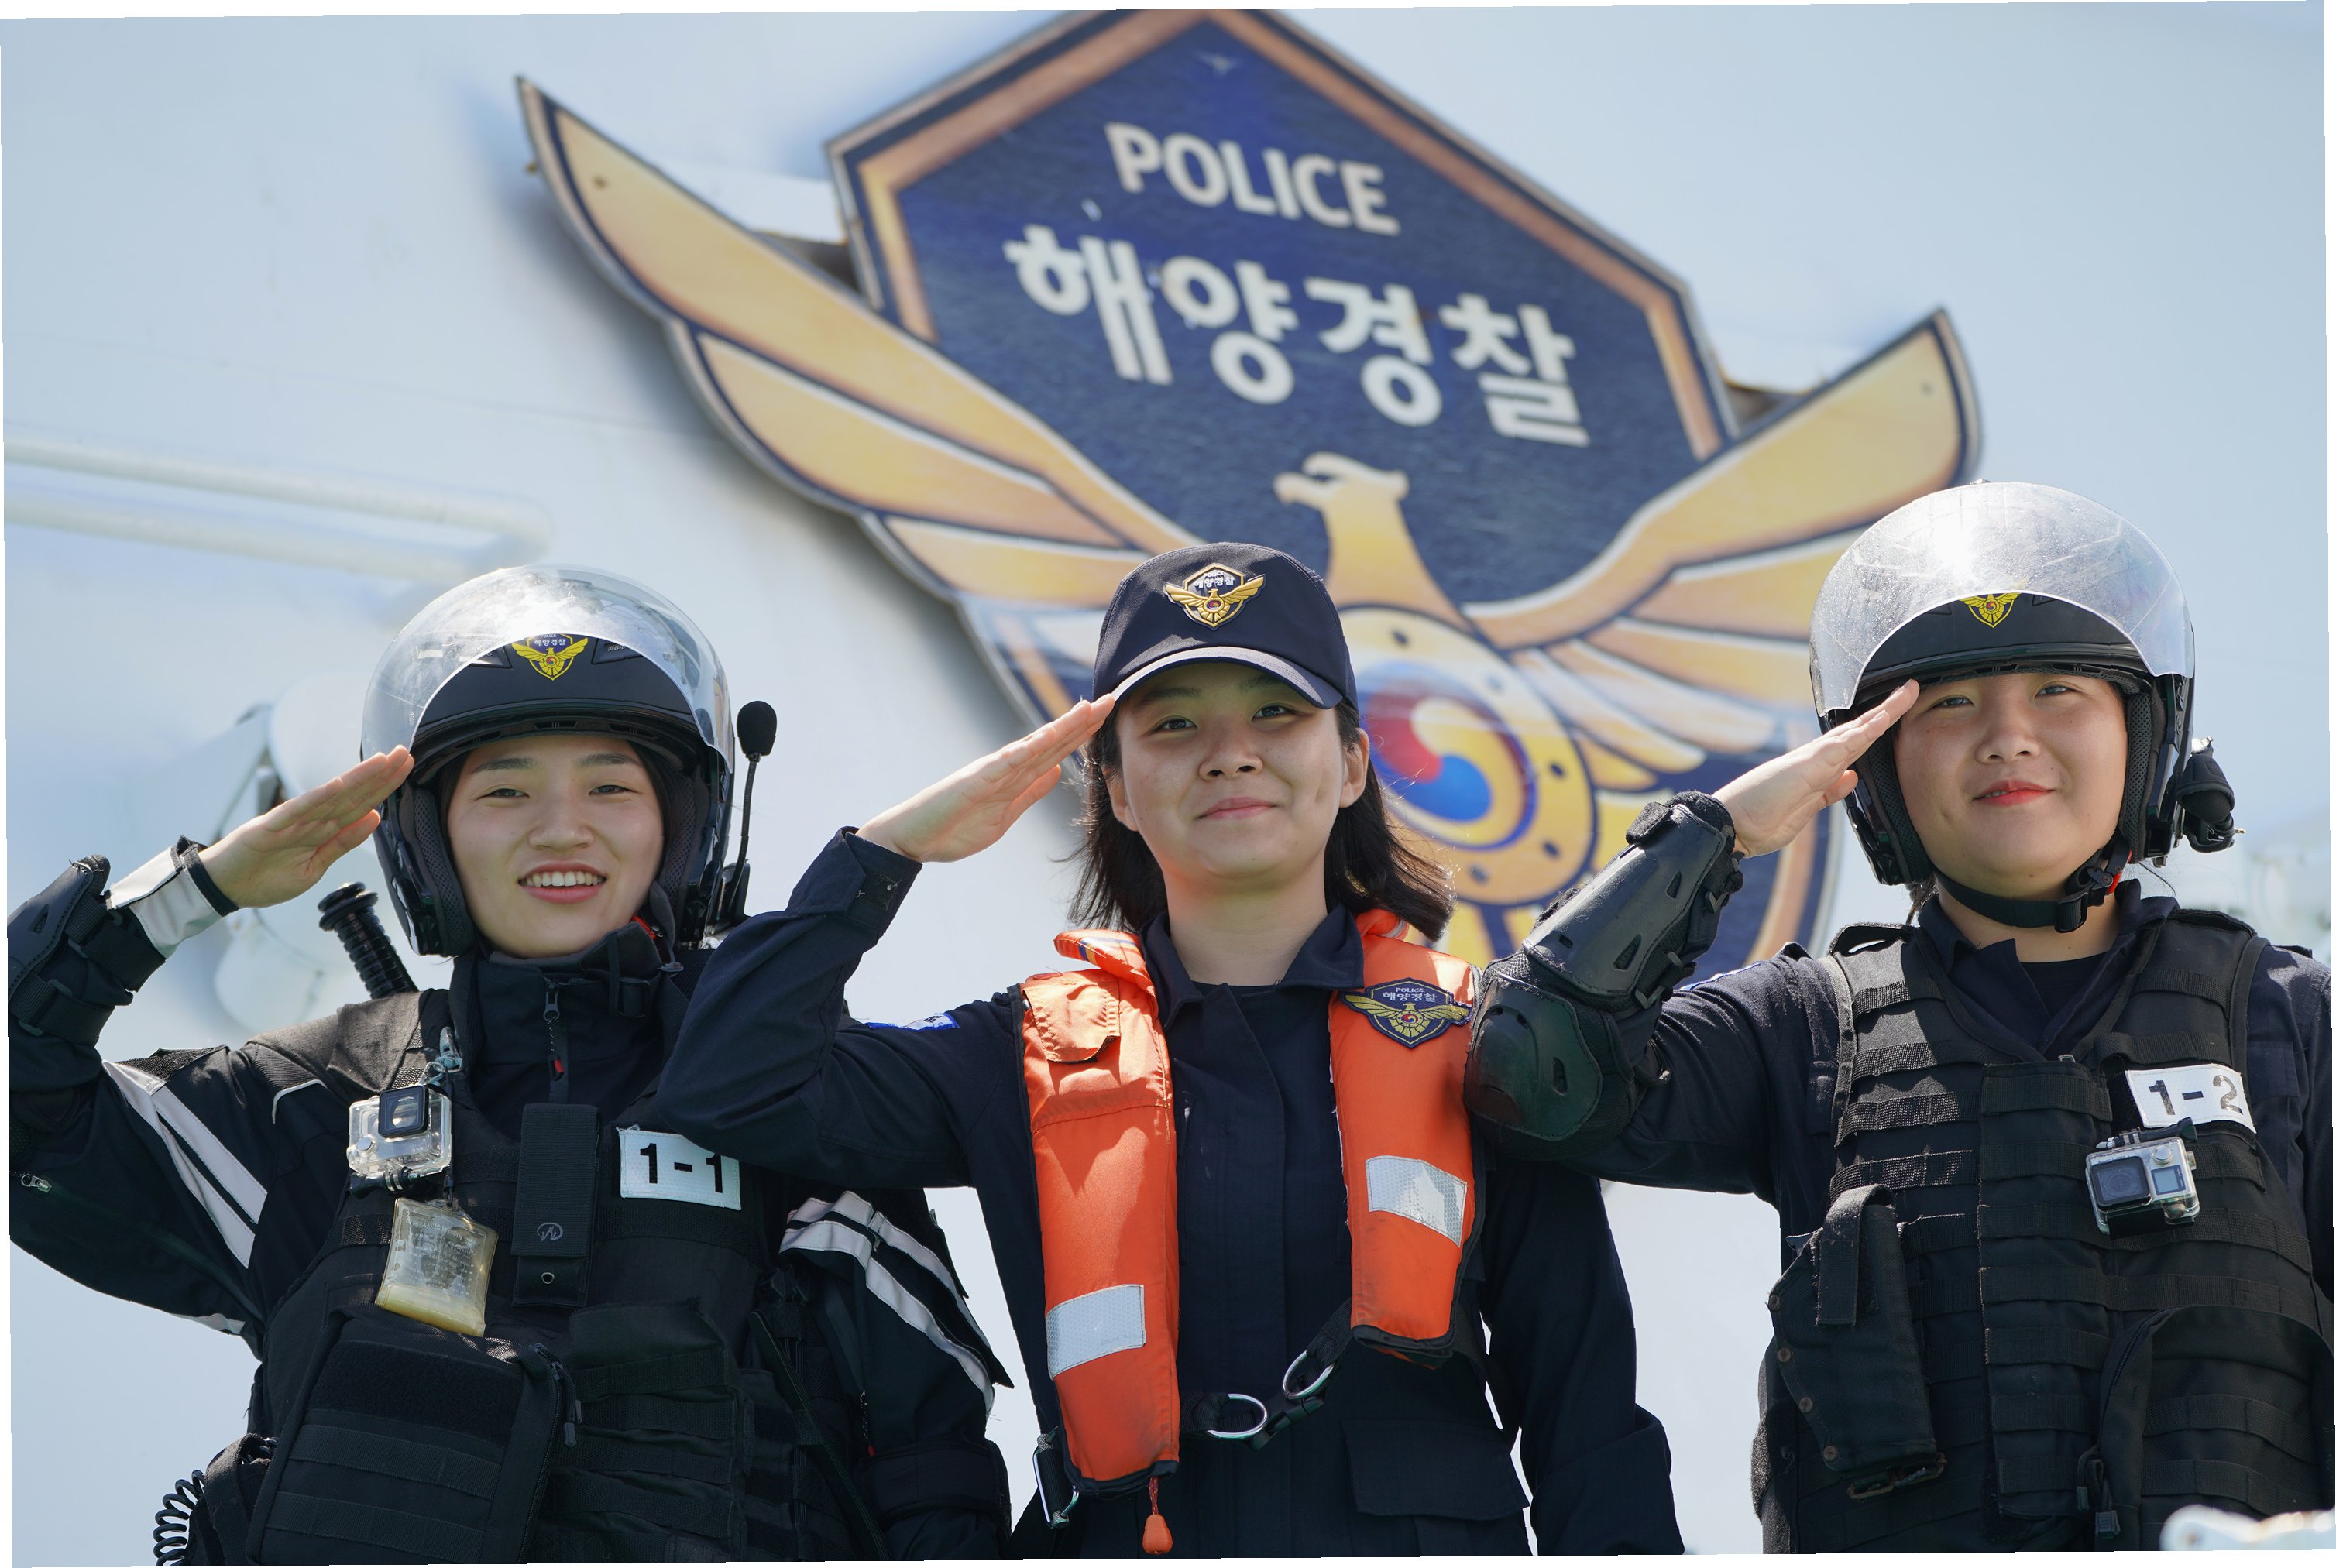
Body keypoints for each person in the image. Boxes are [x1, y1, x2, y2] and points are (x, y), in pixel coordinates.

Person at [660, 542, 1684, 1556]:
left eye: (1275, 712)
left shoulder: (1484, 1042)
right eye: (1175, 724)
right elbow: (732, 1082)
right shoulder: (1020, 1053)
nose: (1229, 753)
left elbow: (1588, 1421)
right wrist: (888, 852)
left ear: (1352, 762)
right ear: (1112, 785)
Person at [9, 564, 1012, 1563]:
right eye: (505, 789)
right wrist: (188, 896)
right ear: (427, 839)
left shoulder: (803, 1112)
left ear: (682, 825)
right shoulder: (311, 1105)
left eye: (610, 786)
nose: (560, 826)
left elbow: (935, 1478)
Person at [1463, 482, 2332, 1551]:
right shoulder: (1800, 1029)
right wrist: (1715, 834)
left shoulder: (2292, 1020)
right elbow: (1530, 1071)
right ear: (1872, 767)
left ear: (2147, 732)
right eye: (1950, 704)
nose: (2008, 737)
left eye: (2058, 689)